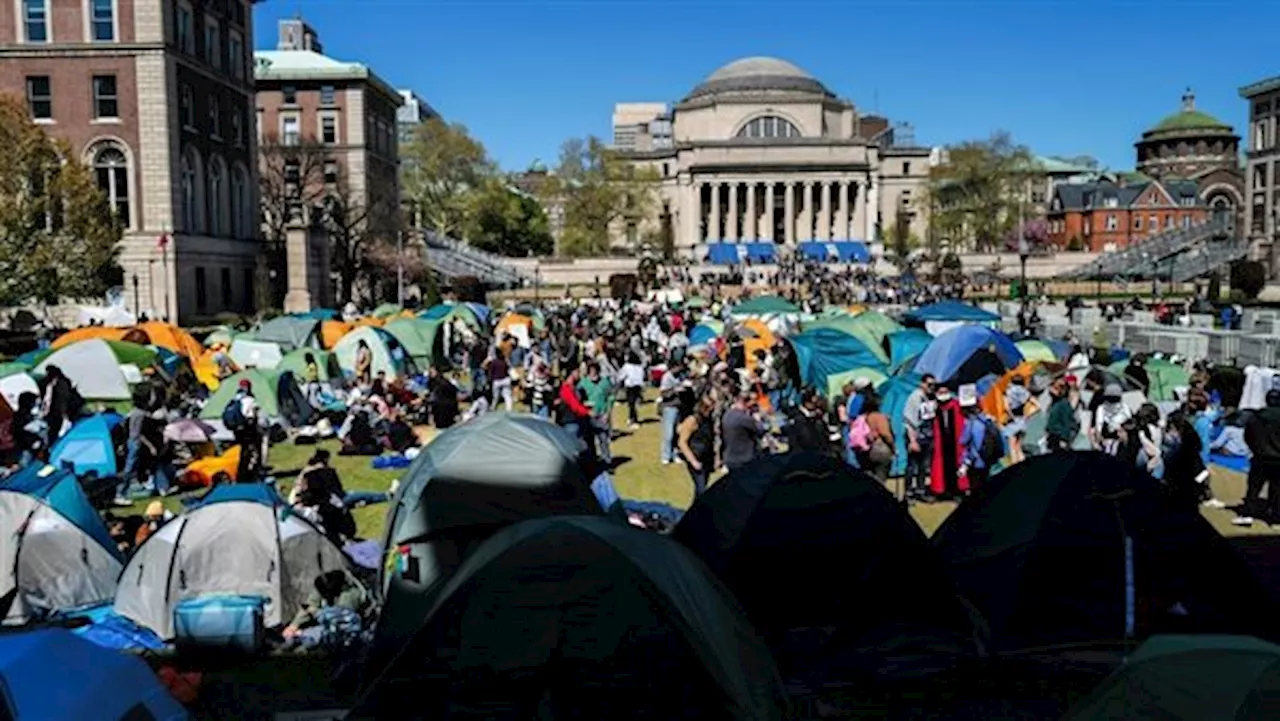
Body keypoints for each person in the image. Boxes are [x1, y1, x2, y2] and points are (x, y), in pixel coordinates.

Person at [282, 570, 373, 648]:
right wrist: (293, 625)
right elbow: (310, 604)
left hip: (345, 631)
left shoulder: (350, 595)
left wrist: (301, 633)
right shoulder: (323, 587)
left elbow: (338, 619)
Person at [1242, 387, 1280, 523]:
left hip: (1260, 456)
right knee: (1277, 488)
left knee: (1254, 487)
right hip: (1278, 460)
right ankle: (1275, 517)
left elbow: (1248, 435)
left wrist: (1255, 449)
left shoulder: (1257, 416)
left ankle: (1247, 514)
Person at [958, 384, 1000, 494]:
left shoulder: (971, 424)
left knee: (975, 488)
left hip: (976, 462)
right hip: (988, 460)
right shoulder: (987, 420)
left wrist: (965, 463)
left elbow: (964, 441)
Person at [904, 374, 937, 500]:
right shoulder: (915, 397)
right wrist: (912, 441)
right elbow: (908, 421)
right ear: (922, 384)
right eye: (929, 384)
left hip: (927, 437)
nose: (932, 387)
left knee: (924, 465)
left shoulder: (931, 398)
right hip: (915, 436)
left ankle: (921, 490)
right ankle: (908, 493)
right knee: (912, 466)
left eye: (934, 385)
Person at [676, 396, 717, 498]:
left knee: (701, 488)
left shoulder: (709, 420)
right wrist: (693, 461)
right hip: (696, 458)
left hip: (706, 458)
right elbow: (682, 442)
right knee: (701, 489)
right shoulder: (692, 421)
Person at [930, 387, 967, 499]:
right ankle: (944, 491)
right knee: (942, 467)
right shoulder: (934, 408)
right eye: (941, 392)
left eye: (945, 392)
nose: (943, 394)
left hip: (955, 442)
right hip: (941, 443)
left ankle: (957, 490)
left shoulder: (957, 405)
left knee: (957, 466)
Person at [721, 390, 765, 475]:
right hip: (744, 458)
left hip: (730, 457)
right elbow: (760, 430)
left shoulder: (727, 414)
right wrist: (757, 419)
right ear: (746, 403)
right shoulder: (743, 418)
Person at [578, 362, 614, 465]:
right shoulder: (583, 383)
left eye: (595, 370)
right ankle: (592, 461)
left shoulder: (605, 382)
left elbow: (610, 397)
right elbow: (578, 398)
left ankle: (607, 461)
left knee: (603, 439)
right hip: (588, 415)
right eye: (591, 371)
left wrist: (608, 412)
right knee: (589, 441)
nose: (593, 373)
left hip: (601, 414)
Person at [855, 391, 894, 482]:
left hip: (866, 449)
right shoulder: (879, 417)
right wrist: (893, 447)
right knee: (880, 477)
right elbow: (885, 434)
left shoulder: (862, 417)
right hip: (880, 449)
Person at [228, 379, 262, 483]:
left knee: (243, 452)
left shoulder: (235, 398)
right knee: (253, 452)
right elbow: (252, 415)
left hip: (237, 430)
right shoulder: (250, 399)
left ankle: (240, 474)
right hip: (248, 429)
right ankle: (250, 475)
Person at [1090, 383, 1131, 456]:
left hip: (1120, 443)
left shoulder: (1125, 408)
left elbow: (1129, 425)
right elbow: (1098, 427)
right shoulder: (1101, 409)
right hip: (1105, 442)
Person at [657, 362, 685, 465]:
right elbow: (663, 394)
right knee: (668, 433)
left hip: (679, 407)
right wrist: (675, 390)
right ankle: (665, 455)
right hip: (669, 407)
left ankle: (675, 454)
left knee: (677, 432)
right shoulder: (666, 377)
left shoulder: (681, 376)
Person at [40, 365, 76, 442]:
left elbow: (62, 400)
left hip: (57, 412)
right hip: (54, 412)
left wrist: (63, 413)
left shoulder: (61, 384)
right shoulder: (51, 383)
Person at [1045, 378, 1080, 451]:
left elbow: (1066, 422)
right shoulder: (1054, 403)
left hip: (1060, 435)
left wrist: (1064, 439)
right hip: (1053, 435)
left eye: (1055, 388)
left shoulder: (1063, 404)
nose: (1051, 390)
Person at [1003, 375, 1032, 463]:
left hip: (1013, 422)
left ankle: (1015, 468)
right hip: (1022, 420)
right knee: (1018, 447)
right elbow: (1036, 404)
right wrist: (1027, 416)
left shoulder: (1009, 392)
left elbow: (1007, 408)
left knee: (1012, 447)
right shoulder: (1025, 392)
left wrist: (1012, 417)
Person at [618, 352, 645, 429]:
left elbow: (621, 376)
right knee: (633, 403)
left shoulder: (627, 366)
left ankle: (634, 420)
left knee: (631, 404)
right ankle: (631, 417)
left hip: (630, 387)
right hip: (638, 386)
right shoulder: (640, 367)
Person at [487, 348, 514, 412]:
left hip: (497, 381)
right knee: (507, 396)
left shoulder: (494, 362)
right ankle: (509, 409)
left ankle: (493, 408)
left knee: (495, 397)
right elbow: (508, 368)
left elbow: (491, 372)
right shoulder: (505, 361)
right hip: (506, 379)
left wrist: (489, 380)